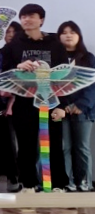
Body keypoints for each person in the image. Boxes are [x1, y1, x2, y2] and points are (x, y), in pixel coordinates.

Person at [0, 3, 67, 193]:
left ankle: (58, 184)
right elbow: (4, 74)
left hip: (51, 102)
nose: (26, 19)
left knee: (54, 144)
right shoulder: (13, 46)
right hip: (24, 103)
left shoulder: (55, 44)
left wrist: (62, 106)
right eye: (23, 16)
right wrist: (18, 67)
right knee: (26, 146)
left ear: (41, 20)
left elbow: (65, 77)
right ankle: (27, 184)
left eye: (31, 16)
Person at [56, 21, 94, 192]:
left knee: (82, 147)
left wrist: (81, 104)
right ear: (59, 37)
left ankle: (84, 182)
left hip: (83, 110)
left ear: (79, 36)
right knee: (64, 147)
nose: (68, 35)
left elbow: (93, 85)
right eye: (64, 32)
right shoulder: (56, 58)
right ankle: (68, 182)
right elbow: (52, 84)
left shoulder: (88, 58)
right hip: (61, 109)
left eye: (72, 32)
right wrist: (63, 106)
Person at [0, 22, 25, 191]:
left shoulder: (24, 54)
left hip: (20, 104)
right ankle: (11, 177)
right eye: (7, 32)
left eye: (14, 31)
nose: (10, 34)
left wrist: (12, 99)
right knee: (6, 144)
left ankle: (24, 178)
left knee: (22, 145)